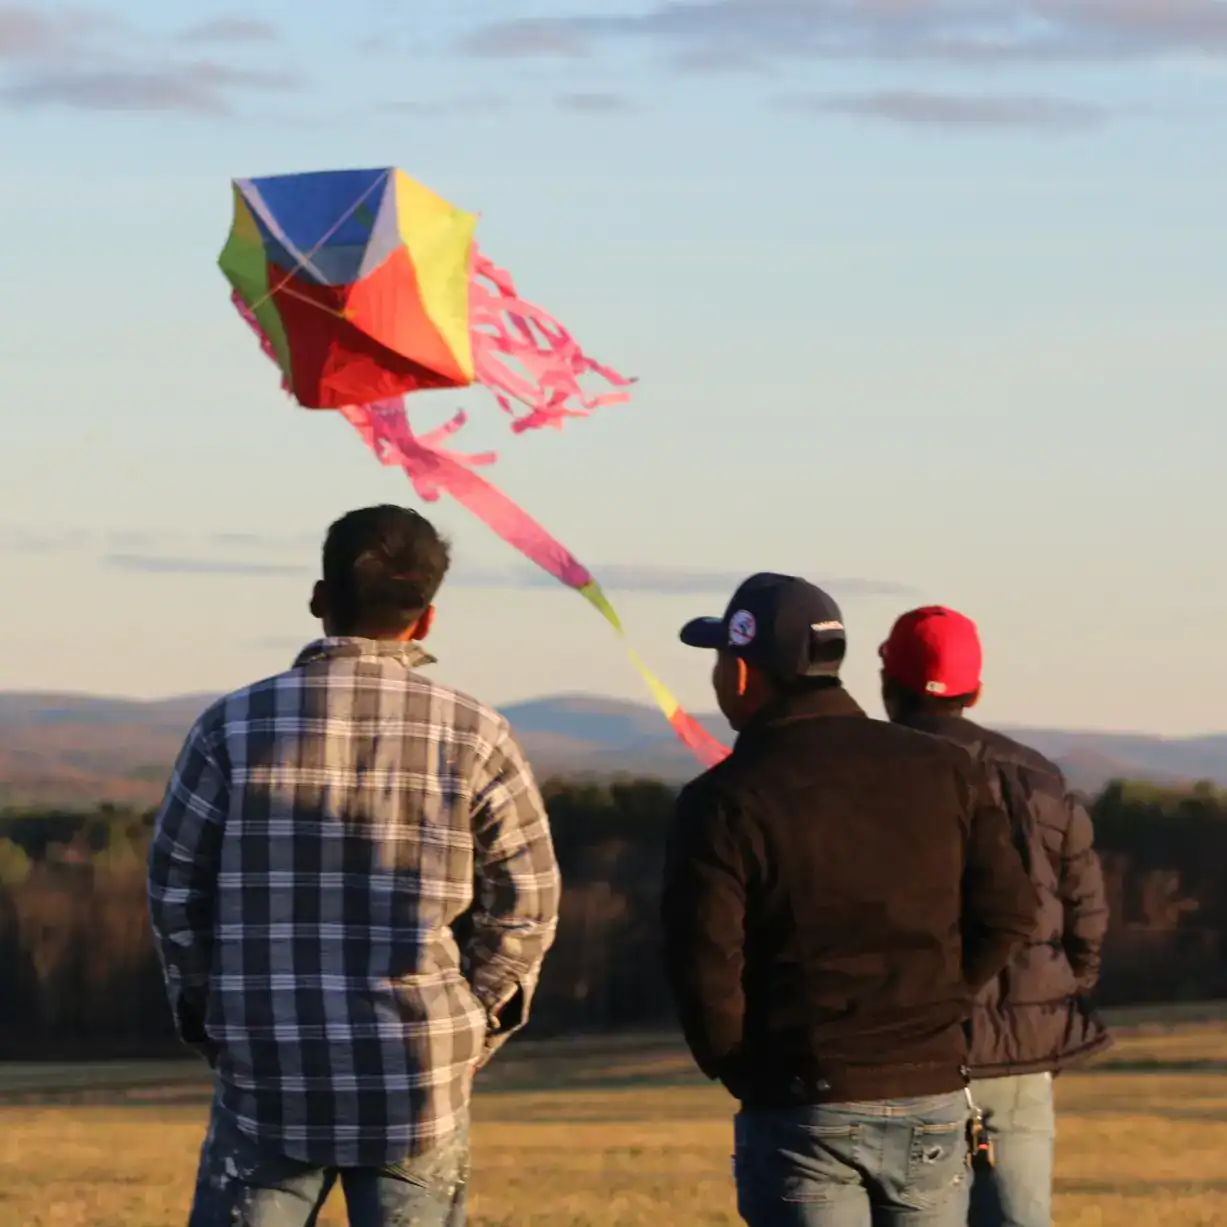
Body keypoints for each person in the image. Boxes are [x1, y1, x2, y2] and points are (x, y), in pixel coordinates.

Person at [148, 504, 561, 1227]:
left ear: (318, 598)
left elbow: (176, 887)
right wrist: (475, 1022)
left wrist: (211, 1013)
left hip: (266, 1066)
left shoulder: (230, 727)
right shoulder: (477, 733)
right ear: (427, 618)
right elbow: (527, 902)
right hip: (417, 1073)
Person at [662, 573, 1040, 1227]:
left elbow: (703, 961)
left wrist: (742, 1068)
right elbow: (1006, 912)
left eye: (722, 658)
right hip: (930, 1087)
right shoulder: (946, 770)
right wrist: (939, 1007)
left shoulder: (721, 800)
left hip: (800, 1099)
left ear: (745, 674)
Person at [879, 606, 1111, 1227]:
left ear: (887, 684)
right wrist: (1056, 995)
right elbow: (1086, 907)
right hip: (1023, 1052)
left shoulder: (872, 776)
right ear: (974, 689)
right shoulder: (1040, 778)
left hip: (908, 1048)